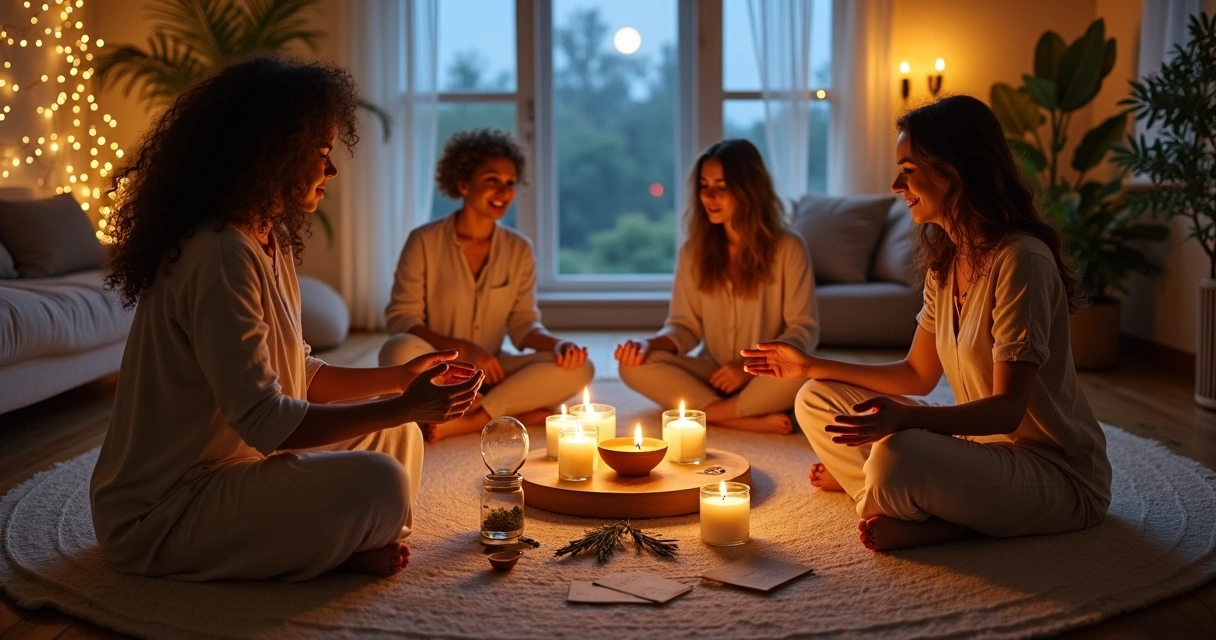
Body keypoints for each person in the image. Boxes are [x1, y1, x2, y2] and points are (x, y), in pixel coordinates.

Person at [90, 56, 484, 582]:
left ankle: (341, 538)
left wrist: (398, 381)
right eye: (320, 152)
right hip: (165, 510)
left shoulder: (264, 237)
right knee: (380, 480)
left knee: (399, 438)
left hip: (236, 469)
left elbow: (297, 372)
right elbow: (268, 422)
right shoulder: (219, 253)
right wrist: (399, 404)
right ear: (272, 154)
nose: (332, 170)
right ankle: (339, 544)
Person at [742, 95, 1111, 551]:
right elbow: (916, 374)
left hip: (1053, 472)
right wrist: (809, 367)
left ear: (952, 171)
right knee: (816, 399)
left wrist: (906, 419)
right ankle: (903, 496)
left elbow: (1008, 409)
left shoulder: (1022, 260)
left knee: (898, 453)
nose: (897, 184)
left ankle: (923, 511)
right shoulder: (948, 262)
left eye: (909, 168)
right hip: (978, 451)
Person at [379, 128, 593, 442]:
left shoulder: (519, 248)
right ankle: (507, 410)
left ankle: (475, 417)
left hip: (492, 371)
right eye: (492, 180)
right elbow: (402, 319)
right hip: (439, 369)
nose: (504, 191)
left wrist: (557, 345)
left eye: (510, 183)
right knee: (397, 349)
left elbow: (523, 326)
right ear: (463, 183)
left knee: (581, 368)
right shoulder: (423, 241)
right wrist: (463, 350)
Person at [616, 139, 818, 434]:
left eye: (722, 187)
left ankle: (711, 413)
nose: (709, 196)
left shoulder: (789, 247)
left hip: (766, 375)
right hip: (712, 372)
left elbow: (803, 329)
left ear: (749, 190)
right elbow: (683, 328)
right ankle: (742, 418)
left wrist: (747, 369)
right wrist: (650, 345)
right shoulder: (693, 251)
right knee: (631, 366)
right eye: (704, 185)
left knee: (806, 376)